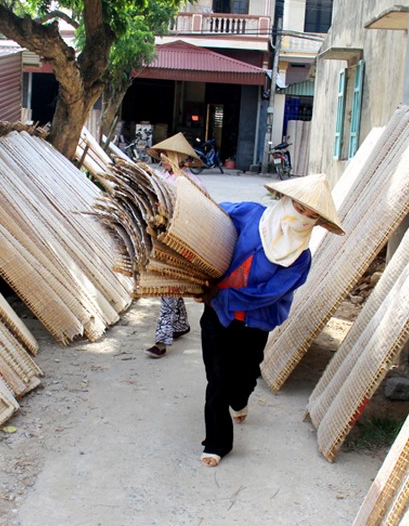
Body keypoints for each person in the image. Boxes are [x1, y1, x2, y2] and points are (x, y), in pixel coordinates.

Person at [194, 174, 345, 467]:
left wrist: (219, 296)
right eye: (299, 208)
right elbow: (212, 219)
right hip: (217, 315)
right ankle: (217, 442)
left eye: (311, 216)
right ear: (286, 200)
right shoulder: (251, 214)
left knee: (244, 378)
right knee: (217, 380)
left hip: (254, 323)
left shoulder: (301, 258)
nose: (302, 217)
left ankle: (241, 399)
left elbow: (268, 294)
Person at [143, 133, 204, 359]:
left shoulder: (192, 184)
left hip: (181, 241)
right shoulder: (163, 178)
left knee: (167, 286)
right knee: (170, 285)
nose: (163, 161)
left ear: (179, 158)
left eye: (166, 157)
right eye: (162, 157)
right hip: (162, 238)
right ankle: (181, 325)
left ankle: (161, 339)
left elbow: (200, 216)